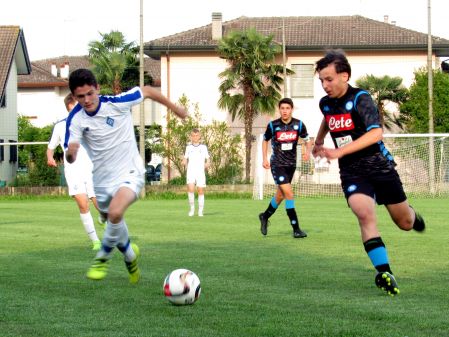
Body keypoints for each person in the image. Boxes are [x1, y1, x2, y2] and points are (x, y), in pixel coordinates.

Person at [313, 49, 425, 296]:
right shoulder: (326, 103)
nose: (325, 85)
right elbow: (327, 116)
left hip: (379, 166)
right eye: (321, 80)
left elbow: (376, 134)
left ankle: (413, 215)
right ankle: (384, 273)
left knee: (404, 223)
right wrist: (319, 141)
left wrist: (338, 152)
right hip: (352, 172)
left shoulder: (361, 98)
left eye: (329, 79)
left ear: (345, 76)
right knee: (364, 214)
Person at [65, 68, 187, 283]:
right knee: (111, 217)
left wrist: (175, 109)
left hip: (130, 171)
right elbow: (71, 150)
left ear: (97, 89)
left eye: (90, 93)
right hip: (101, 181)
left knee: (115, 212)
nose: (86, 100)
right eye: (80, 96)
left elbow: (148, 90)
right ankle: (130, 255)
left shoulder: (116, 103)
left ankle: (102, 257)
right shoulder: (75, 119)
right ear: (74, 97)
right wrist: (71, 153)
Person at [47, 93, 102, 251]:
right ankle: (95, 241)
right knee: (83, 204)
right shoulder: (60, 126)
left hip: (91, 168)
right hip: (73, 170)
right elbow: (50, 148)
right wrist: (50, 158)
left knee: (99, 203)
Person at [258, 98, 312, 238]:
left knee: (280, 195)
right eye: (282, 108)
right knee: (289, 194)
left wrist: (307, 152)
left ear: (291, 109)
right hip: (277, 164)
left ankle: (264, 216)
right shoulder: (273, 125)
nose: (285, 111)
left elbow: (307, 140)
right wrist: (264, 158)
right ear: (279, 110)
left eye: (287, 108)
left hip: (291, 165)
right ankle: (296, 229)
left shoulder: (299, 125)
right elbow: (265, 140)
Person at [182, 128, 210, 217]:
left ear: (199, 136)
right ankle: (192, 209)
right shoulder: (188, 147)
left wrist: (207, 163)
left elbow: (208, 159)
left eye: (197, 135)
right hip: (191, 171)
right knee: (190, 189)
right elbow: (185, 159)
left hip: (200, 172)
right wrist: (184, 162)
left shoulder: (204, 147)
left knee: (200, 191)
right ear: (191, 137)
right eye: (193, 136)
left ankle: (200, 211)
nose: (195, 137)